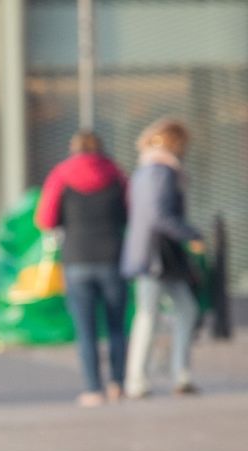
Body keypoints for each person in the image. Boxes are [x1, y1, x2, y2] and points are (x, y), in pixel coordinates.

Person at [35, 131, 129, 406]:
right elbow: (129, 212)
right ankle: (118, 384)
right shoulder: (116, 174)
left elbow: (45, 219)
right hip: (113, 256)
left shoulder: (61, 175)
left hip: (77, 259)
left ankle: (93, 390)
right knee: (116, 326)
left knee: (85, 329)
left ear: (72, 148)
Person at [121, 118, 204, 398]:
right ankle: (138, 380)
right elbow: (159, 216)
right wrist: (191, 234)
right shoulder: (161, 172)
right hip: (156, 255)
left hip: (160, 255)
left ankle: (179, 373)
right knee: (148, 315)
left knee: (184, 310)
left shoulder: (147, 170)